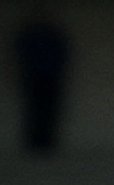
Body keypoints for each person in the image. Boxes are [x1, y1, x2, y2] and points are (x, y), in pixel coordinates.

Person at [13, 13, 71, 155]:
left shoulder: (52, 35)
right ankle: (36, 143)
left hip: (49, 77)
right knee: (36, 110)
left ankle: (45, 143)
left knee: (47, 111)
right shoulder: (33, 36)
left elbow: (62, 55)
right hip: (36, 77)